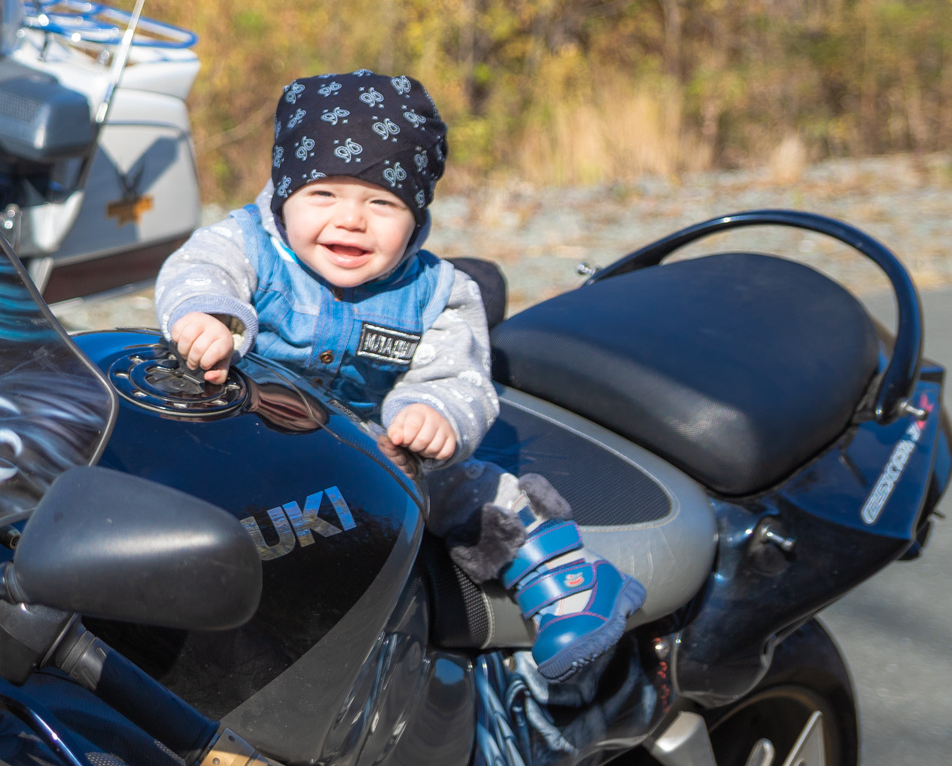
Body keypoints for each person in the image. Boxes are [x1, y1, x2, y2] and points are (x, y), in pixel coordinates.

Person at [156, 70, 643, 681]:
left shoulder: (438, 293)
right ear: (284, 194)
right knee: (158, 461)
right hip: (241, 430)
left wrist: (434, 414)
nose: (352, 220)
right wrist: (211, 319)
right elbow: (199, 272)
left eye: (382, 203)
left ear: (417, 218)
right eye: (323, 195)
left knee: (472, 489)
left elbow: (460, 377)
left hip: (375, 449)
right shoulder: (245, 247)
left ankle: (565, 581)